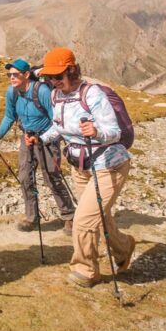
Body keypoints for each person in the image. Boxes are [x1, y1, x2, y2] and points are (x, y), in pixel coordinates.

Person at [37, 47, 136, 288]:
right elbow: (59, 127)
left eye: (58, 76)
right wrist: (41, 138)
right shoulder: (55, 96)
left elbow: (114, 132)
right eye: (49, 78)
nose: (53, 81)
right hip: (79, 166)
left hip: (108, 165)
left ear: (72, 70)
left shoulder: (92, 95)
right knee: (97, 218)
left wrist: (97, 132)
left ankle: (86, 270)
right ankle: (124, 248)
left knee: (83, 221)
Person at [0, 58, 76, 234]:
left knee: (51, 176)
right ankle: (31, 217)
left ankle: (69, 216)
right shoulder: (12, 92)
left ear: (26, 75)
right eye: (9, 75)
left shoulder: (41, 91)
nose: (11, 78)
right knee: (25, 176)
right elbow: (9, 116)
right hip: (27, 138)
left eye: (15, 74)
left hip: (47, 139)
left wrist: (45, 138)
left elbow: (55, 118)